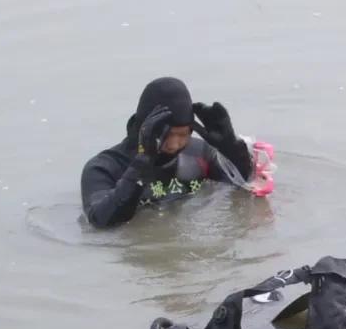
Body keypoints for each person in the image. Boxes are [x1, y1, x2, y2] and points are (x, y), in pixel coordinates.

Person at [80, 76, 256, 228]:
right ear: (145, 127)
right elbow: (100, 222)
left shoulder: (200, 153)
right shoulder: (102, 168)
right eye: (167, 135)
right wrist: (142, 164)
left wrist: (230, 148)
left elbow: (243, 185)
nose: (174, 145)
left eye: (183, 134)